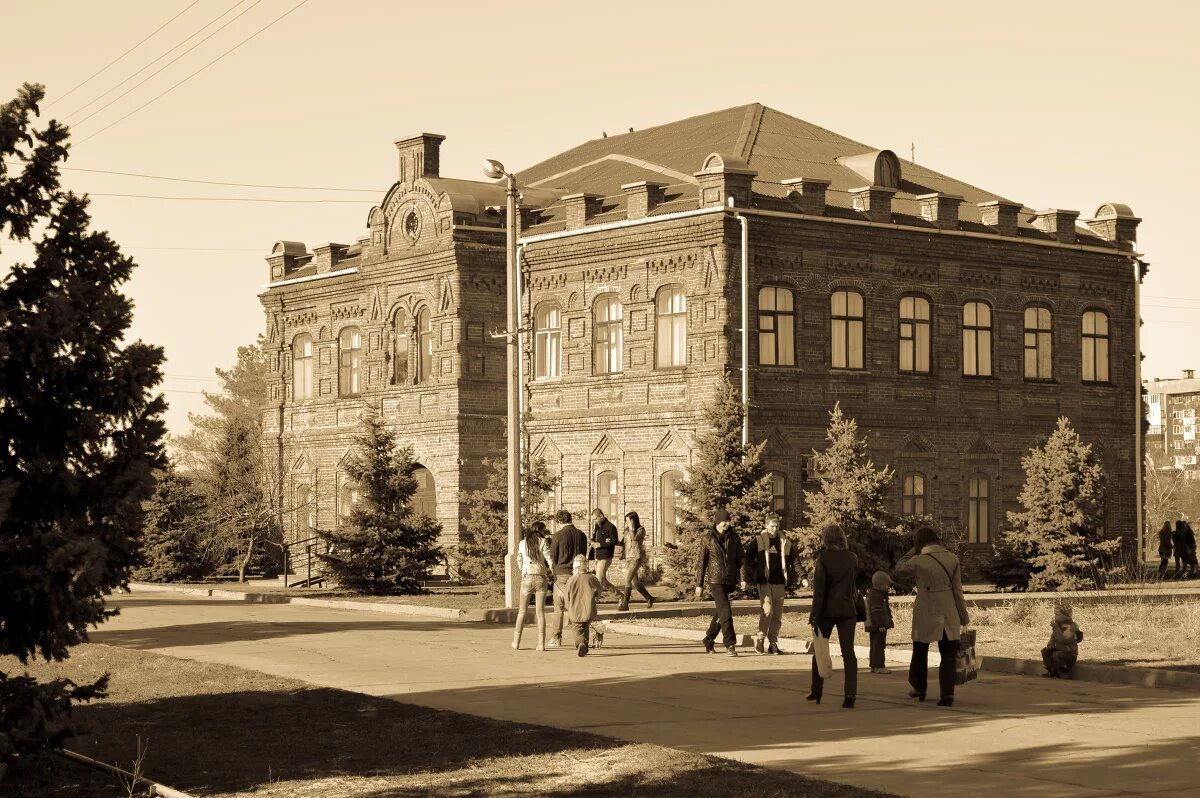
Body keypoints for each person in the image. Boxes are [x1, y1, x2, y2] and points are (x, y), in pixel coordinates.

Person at [893, 525, 970, 707]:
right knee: (948, 654)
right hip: (948, 609)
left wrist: (912, 551)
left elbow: (899, 569)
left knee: (920, 650)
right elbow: (958, 591)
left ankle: (919, 688)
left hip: (926, 608)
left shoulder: (918, 560)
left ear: (919, 543)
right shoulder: (952, 558)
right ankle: (947, 695)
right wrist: (964, 616)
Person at [807, 524, 859, 708]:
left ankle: (816, 688)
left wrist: (814, 613)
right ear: (842, 538)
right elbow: (854, 584)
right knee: (848, 653)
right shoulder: (852, 558)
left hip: (827, 610)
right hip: (847, 610)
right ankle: (850, 693)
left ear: (825, 539)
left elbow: (819, 591)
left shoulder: (823, 559)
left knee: (820, 649)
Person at [742, 512, 796, 654]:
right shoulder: (759, 540)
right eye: (772, 526)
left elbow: (794, 560)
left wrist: (802, 576)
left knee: (777, 615)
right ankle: (760, 639)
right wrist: (751, 574)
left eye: (777, 526)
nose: (774, 529)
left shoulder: (784, 541)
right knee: (768, 611)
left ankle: (773, 643)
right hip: (765, 581)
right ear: (766, 526)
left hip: (779, 582)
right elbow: (747, 558)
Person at [694, 508, 745, 657]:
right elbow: (702, 563)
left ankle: (709, 639)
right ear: (717, 522)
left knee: (721, 612)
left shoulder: (734, 538)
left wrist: (743, 579)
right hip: (715, 580)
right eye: (724, 521)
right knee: (726, 612)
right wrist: (699, 584)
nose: (727, 524)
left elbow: (741, 559)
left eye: (728, 521)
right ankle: (730, 644)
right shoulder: (708, 538)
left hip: (729, 579)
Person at [548, 509, 588, 648]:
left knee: (559, 609)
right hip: (578, 575)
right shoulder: (582, 535)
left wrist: (552, 574)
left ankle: (556, 637)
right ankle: (582, 637)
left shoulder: (557, 536)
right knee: (578, 607)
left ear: (559, 521)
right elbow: (584, 556)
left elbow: (553, 557)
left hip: (562, 574)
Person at [512, 521, 554, 651]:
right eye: (544, 530)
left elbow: (519, 559)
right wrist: (550, 572)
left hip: (527, 577)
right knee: (540, 612)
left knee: (522, 611)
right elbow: (550, 560)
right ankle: (541, 644)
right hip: (541, 577)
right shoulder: (543, 542)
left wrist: (523, 570)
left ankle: (516, 642)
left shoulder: (523, 543)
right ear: (540, 530)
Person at [566, 554, 603, 656]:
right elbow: (599, 591)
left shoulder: (571, 580)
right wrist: (596, 597)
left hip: (575, 610)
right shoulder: (592, 578)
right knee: (586, 626)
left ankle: (581, 643)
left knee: (577, 629)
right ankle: (585, 646)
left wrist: (568, 607)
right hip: (589, 609)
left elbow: (566, 597)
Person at [618, 511, 655, 611]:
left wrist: (631, 528)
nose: (626, 522)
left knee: (627, 580)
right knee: (636, 583)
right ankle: (649, 598)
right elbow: (623, 543)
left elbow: (635, 539)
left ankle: (625, 604)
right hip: (628, 558)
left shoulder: (641, 530)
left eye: (627, 520)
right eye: (625, 521)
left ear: (633, 520)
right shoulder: (626, 530)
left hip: (636, 558)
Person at [1041, 602, 1084, 678]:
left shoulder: (1071, 626)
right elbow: (1053, 638)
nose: (1055, 617)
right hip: (1060, 649)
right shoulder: (1058, 626)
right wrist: (1050, 645)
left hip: (1069, 653)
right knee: (1045, 651)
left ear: (1065, 616)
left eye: (1057, 615)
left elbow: (1063, 639)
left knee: (1057, 655)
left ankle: (1065, 672)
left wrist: (1055, 627)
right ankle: (1052, 671)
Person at [865, 570, 894, 674]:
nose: (888, 587)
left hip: (874, 625)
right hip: (878, 625)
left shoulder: (875, 594)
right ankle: (879, 666)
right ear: (880, 585)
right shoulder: (877, 596)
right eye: (886, 585)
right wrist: (880, 624)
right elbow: (876, 612)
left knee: (874, 645)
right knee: (879, 646)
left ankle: (873, 665)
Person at [589, 508, 621, 598]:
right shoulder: (597, 526)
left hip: (605, 557)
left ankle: (594, 600)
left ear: (601, 516)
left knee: (598, 579)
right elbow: (596, 540)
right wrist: (592, 542)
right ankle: (619, 596)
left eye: (595, 519)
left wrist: (600, 544)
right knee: (603, 580)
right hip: (598, 556)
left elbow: (615, 541)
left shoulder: (610, 527)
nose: (594, 521)